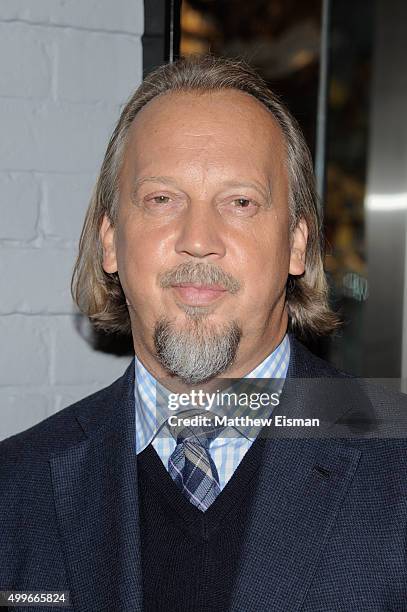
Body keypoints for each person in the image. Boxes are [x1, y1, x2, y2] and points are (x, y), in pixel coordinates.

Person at [0, 55, 406, 612]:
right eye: (161, 200)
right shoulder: (15, 489)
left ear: (296, 245)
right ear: (111, 242)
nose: (198, 238)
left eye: (240, 203)